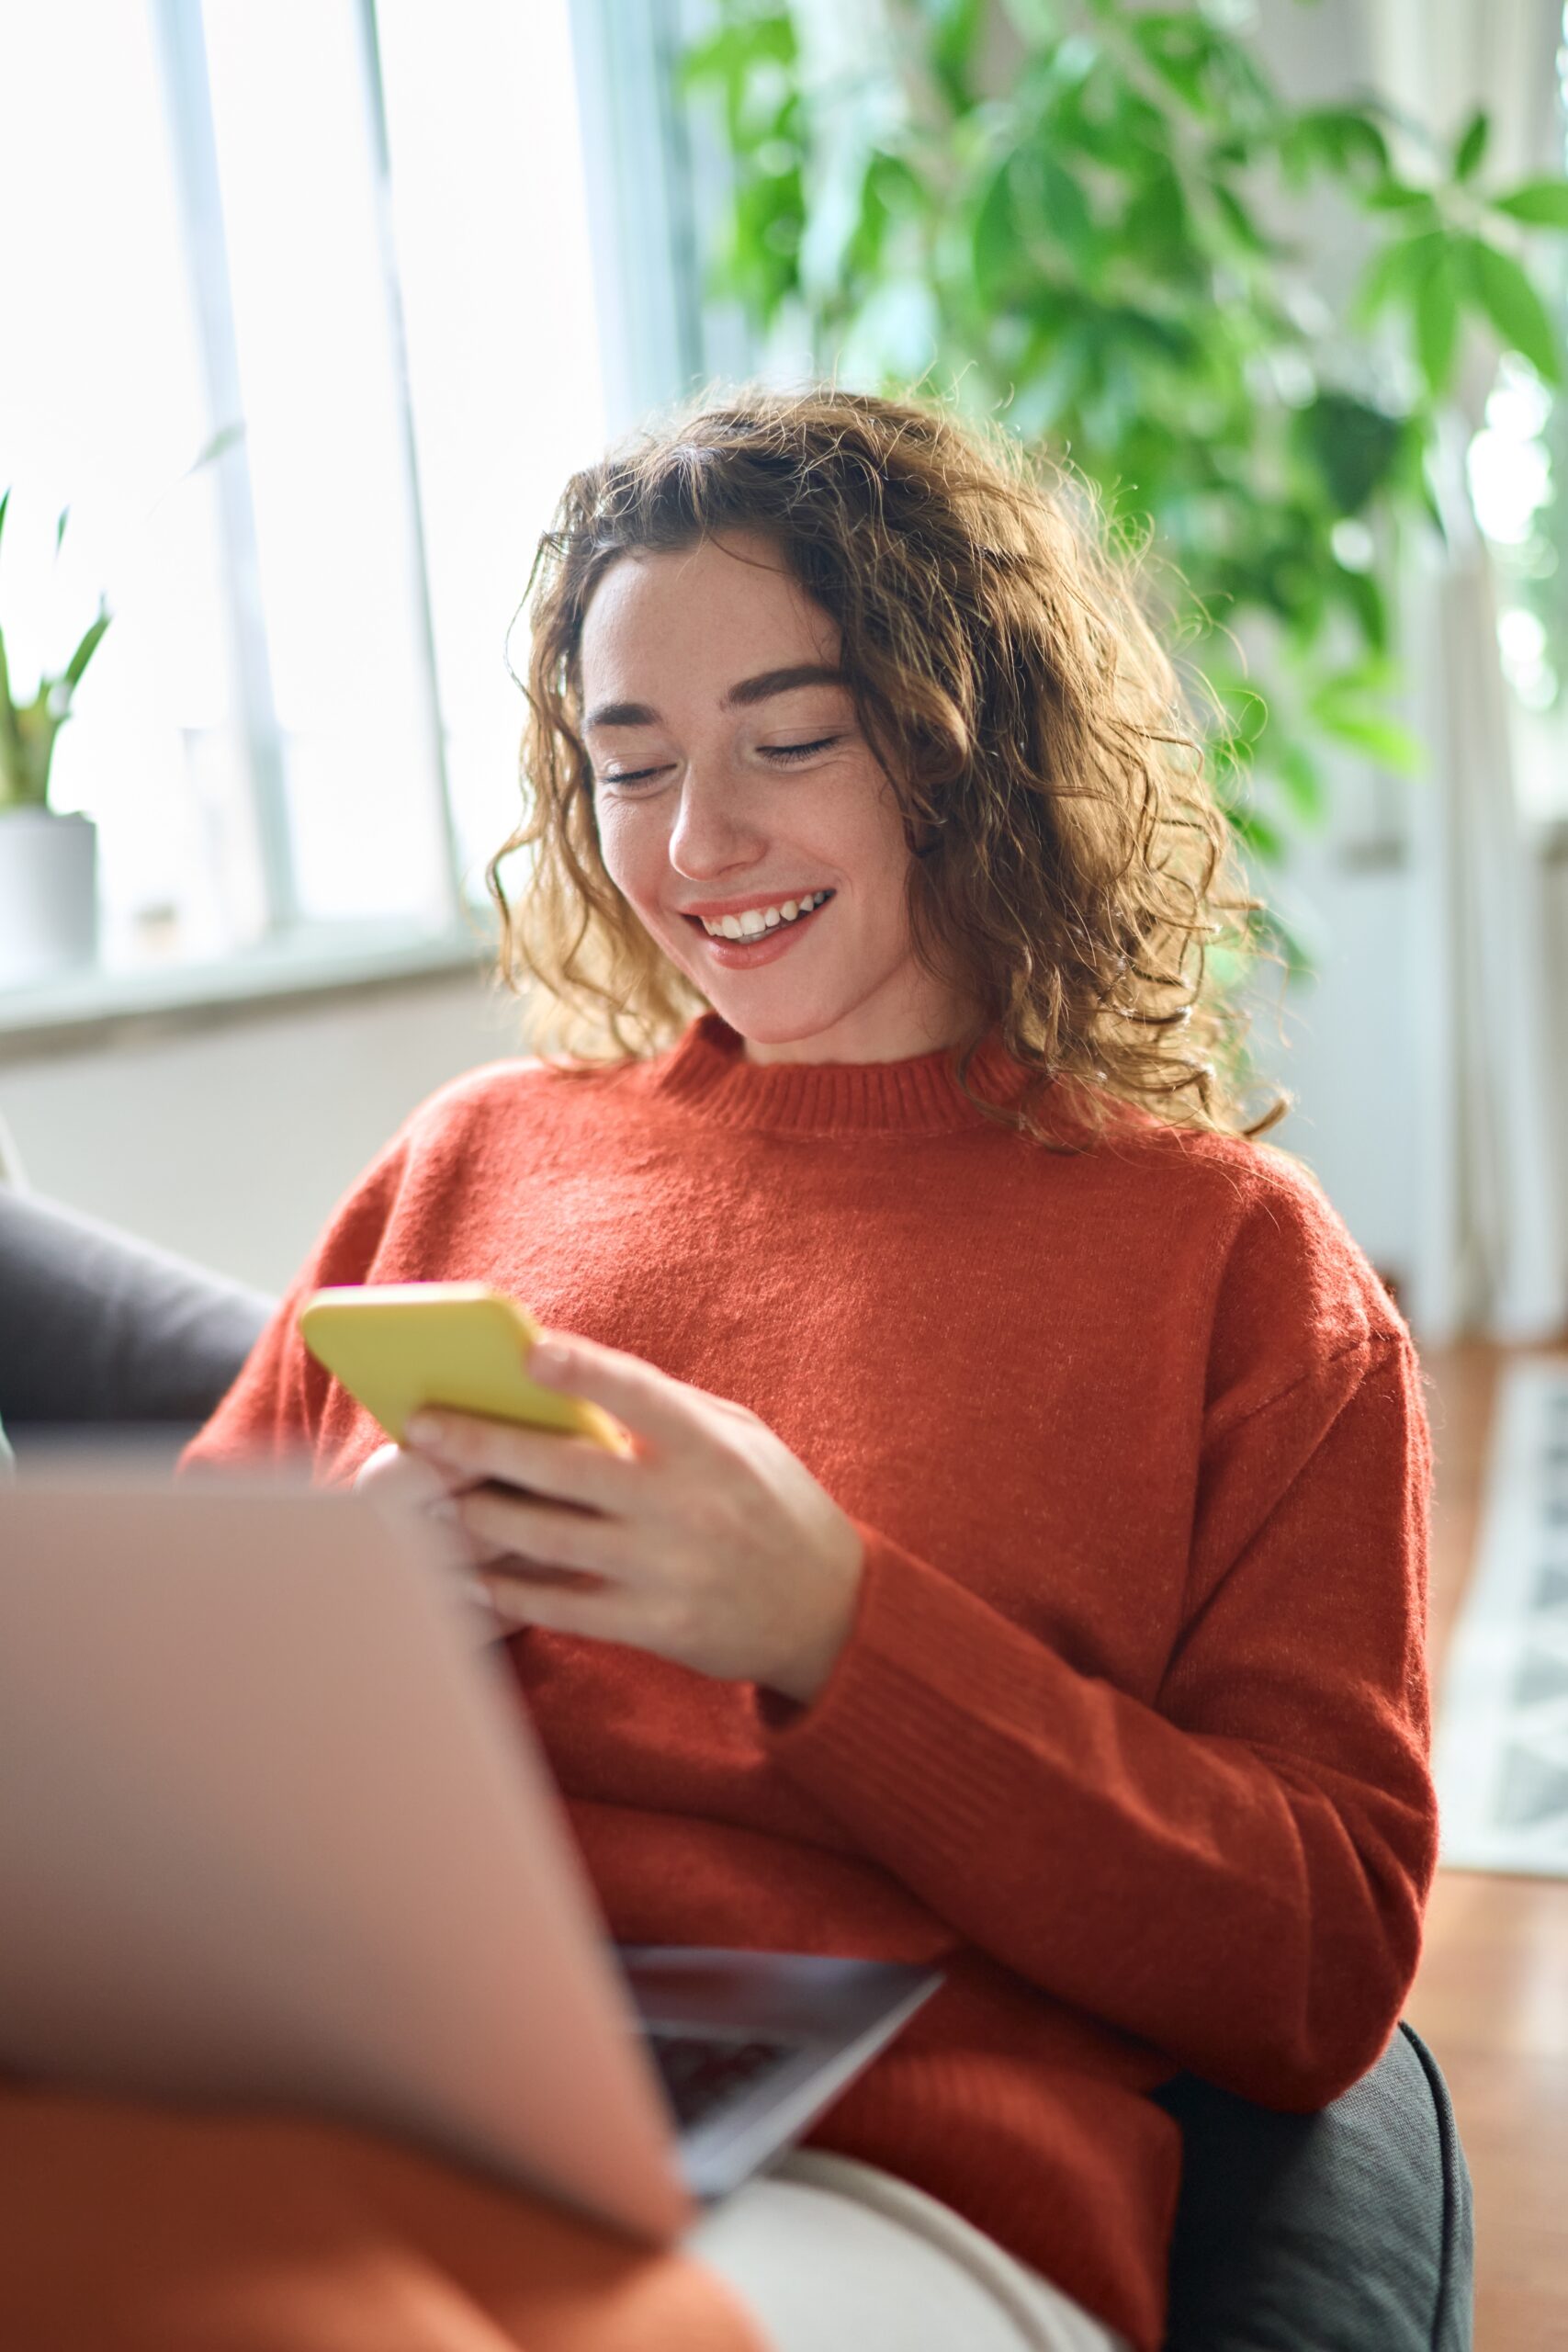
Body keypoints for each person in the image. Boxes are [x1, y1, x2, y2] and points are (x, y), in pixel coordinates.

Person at [175, 385, 1438, 2352]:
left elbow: (1320, 1963)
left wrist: (834, 1628)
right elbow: (137, 1762)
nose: (698, 841)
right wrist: (336, 1638)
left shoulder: (1235, 1272)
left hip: (867, 2183)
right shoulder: (467, 1163)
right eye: (630, 762)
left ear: (962, 744)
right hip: (376, 2089)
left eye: (788, 739)